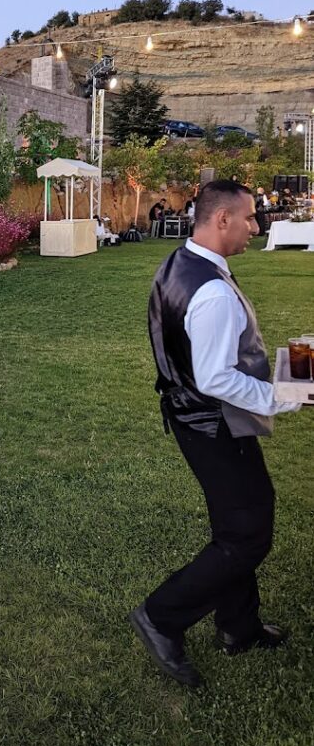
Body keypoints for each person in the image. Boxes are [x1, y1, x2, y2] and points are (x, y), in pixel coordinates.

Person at [131, 181, 301, 687]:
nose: (257, 226)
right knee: (248, 534)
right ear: (221, 219)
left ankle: (239, 627)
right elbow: (215, 378)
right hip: (213, 425)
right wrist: (284, 396)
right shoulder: (210, 290)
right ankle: (161, 616)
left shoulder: (178, 263)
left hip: (193, 419)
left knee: (236, 527)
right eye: (249, 218)